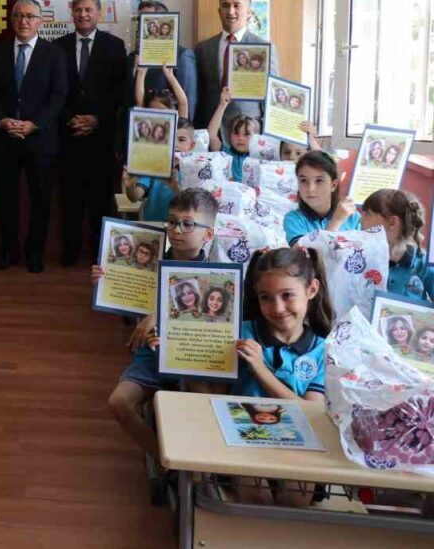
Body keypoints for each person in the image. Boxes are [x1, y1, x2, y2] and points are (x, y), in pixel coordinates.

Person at [97, 188, 218, 462]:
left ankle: (200, 465)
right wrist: (107, 280)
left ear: (208, 234)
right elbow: (126, 294)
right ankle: (167, 463)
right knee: (119, 402)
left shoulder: (216, 274)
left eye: (188, 224)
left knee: (205, 403)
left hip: (192, 357)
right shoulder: (150, 259)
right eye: (172, 221)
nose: (177, 229)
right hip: (151, 354)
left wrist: (160, 315)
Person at [232, 248, 334, 507]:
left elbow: (311, 410)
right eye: (265, 298)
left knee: (294, 499)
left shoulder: (323, 350)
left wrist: (260, 370)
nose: (277, 308)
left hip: (300, 445)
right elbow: (206, 390)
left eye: (287, 295)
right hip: (242, 439)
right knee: (258, 498)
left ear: (312, 289)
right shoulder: (237, 334)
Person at [0, 0, 67, 272]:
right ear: (12, 20)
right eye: (19, 15)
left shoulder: (54, 54)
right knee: (5, 199)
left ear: (40, 21)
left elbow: (58, 96)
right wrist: (2, 120)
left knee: (40, 199)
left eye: (30, 16)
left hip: (40, 140)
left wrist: (35, 124)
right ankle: (8, 251)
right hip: (5, 139)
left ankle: (35, 254)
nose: (24, 21)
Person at [55, 0, 128, 268]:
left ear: (99, 13)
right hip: (69, 135)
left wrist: (97, 119)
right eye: (78, 10)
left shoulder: (115, 46)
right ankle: (70, 252)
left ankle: (99, 253)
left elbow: (120, 93)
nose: (83, 14)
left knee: (100, 199)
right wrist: (71, 119)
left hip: (102, 137)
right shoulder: (58, 46)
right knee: (70, 198)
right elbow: (55, 91)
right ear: (72, 13)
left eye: (88, 10)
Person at [194, 0, 279, 139]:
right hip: (211, 130)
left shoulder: (264, 48)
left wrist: (268, 134)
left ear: (249, 12)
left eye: (237, 6)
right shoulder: (203, 48)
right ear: (219, 11)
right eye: (225, 6)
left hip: (248, 131)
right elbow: (199, 93)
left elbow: (272, 95)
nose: (231, 11)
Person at [126, 0, 197, 124]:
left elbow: (187, 104)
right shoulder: (132, 56)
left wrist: (182, 132)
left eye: (148, 20)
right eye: (140, 20)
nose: (142, 25)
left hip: (167, 127)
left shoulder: (181, 56)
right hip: (134, 127)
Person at [360, 189, 432, 302]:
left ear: (393, 222)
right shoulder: (359, 257)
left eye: (367, 213)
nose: (360, 219)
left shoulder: (422, 263)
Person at [121, 118, 194, 222]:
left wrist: (176, 188)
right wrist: (129, 185)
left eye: (181, 140)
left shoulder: (195, 170)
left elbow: (194, 206)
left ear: (191, 145)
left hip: (180, 227)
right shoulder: (154, 165)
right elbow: (134, 197)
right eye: (170, 139)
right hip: (153, 225)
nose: (175, 144)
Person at [284, 151, 361, 244]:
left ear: (333, 185)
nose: (311, 189)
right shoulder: (294, 219)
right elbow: (306, 253)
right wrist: (336, 221)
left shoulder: (353, 217)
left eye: (319, 180)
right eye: (303, 180)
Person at [206, 88, 257, 181]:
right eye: (236, 133)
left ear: (256, 138)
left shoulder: (259, 158)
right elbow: (211, 136)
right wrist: (222, 105)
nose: (240, 138)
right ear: (229, 135)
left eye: (246, 134)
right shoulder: (224, 154)